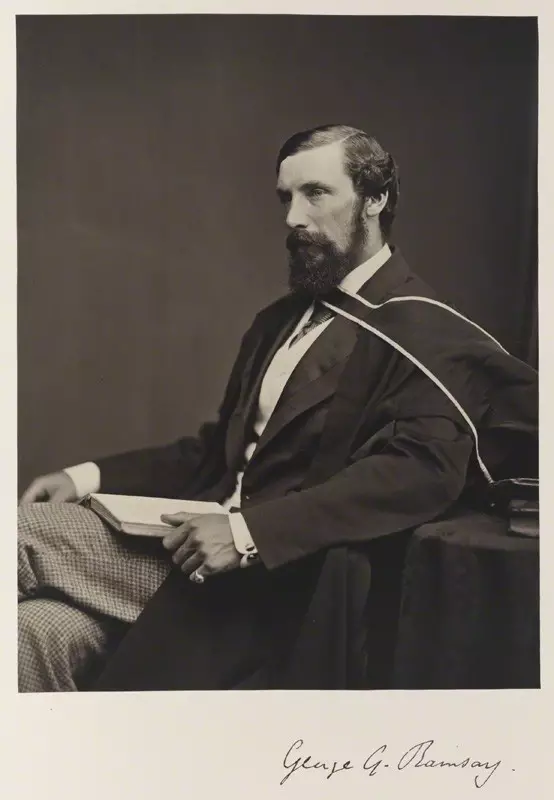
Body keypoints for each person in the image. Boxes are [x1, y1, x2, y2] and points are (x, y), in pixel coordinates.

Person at [18, 124, 538, 692]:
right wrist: (83, 477)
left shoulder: (425, 333)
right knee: (32, 632)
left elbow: (419, 473)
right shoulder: (278, 323)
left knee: (19, 535)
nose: (293, 217)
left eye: (316, 193)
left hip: (272, 581)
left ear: (375, 199)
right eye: (286, 197)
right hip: (185, 553)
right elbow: (216, 453)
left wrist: (247, 534)